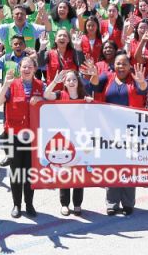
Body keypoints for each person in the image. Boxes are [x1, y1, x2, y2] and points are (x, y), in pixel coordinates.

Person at [82, 51, 148, 215]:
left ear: (130, 66)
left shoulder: (135, 78)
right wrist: (94, 74)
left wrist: (141, 82)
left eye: (125, 64)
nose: (121, 66)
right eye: (118, 63)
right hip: (109, 130)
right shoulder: (107, 77)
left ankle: (128, 203)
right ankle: (112, 203)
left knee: (128, 167)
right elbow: (94, 86)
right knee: (112, 167)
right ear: (114, 65)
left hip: (131, 130)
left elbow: (143, 90)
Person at [0, 53, 44, 218]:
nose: (27, 69)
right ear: (19, 69)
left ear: (35, 69)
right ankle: (17, 204)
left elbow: (51, 103)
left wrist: (42, 98)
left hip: (33, 137)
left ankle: (29, 204)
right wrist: (5, 85)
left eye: (30, 66)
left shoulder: (41, 85)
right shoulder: (12, 84)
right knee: (16, 172)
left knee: (30, 173)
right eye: (24, 67)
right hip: (14, 136)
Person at [43, 69, 89, 215]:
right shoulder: (60, 94)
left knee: (78, 172)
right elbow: (46, 95)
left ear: (78, 81)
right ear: (64, 82)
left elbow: (92, 114)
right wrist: (54, 82)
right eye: (68, 80)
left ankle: (77, 204)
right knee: (64, 171)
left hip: (80, 139)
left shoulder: (84, 96)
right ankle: (64, 203)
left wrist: (90, 103)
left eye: (74, 79)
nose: (71, 82)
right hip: (64, 140)